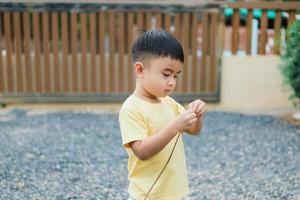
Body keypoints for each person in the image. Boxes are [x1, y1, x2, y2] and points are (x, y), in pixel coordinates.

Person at [119, 29, 206, 200]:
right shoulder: (131, 108)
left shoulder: (169, 103)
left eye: (176, 76)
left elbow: (194, 130)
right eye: (166, 74)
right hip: (147, 195)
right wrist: (175, 126)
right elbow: (142, 151)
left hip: (175, 192)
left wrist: (197, 115)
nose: (172, 82)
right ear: (140, 69)